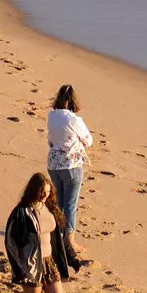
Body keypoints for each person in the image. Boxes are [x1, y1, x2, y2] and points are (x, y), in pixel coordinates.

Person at [4, 171, 76, 293]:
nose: (44, 195)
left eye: (47, 191)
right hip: (31, 265)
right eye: (41, 191)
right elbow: (11, 241)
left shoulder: (50, 208)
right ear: (33, 191)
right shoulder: (21, 212)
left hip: (49, 262)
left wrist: (72, 257)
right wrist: (19, 268)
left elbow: (62, 236)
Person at [46, 85, 94, 256]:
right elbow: (89, 141)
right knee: (70, 205)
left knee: (58, 202)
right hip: (71, 165)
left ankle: (56, 235)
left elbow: (51, 137)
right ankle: (70, 242)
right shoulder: (75, 120)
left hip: (53, 163)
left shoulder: (51, 115)